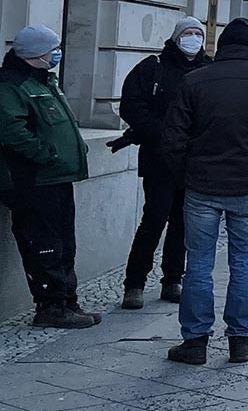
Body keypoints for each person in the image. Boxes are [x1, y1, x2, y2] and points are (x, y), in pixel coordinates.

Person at [161, 17, 248, 364]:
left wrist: (186, 175)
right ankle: (240, 339)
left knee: (199, 264)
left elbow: (173, 139)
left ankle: (194, 341)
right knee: (244, 262)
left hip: (201, 185)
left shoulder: (195, 81)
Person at [0, 25, 97, 328]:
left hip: (57, 178)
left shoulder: (43, 80)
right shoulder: (12, 85)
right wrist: (46, 154)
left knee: (64, 242)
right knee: (44, 243)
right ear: (36, 54)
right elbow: (12, 130)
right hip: (33, 180)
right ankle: (51, 306)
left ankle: (67, 300)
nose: (57, 53)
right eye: (53, 49)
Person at [116, 17, 212, 309]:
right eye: (188, 33)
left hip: (192, 159)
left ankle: (173, 278)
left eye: (198, 33)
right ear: (176, 37)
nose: (193, 38)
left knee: (183, 223)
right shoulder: (152, 67)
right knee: (154, 218)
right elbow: (131, 106)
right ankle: (134, 283)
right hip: (159, 157)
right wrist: (161, 133)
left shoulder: (209, 69)